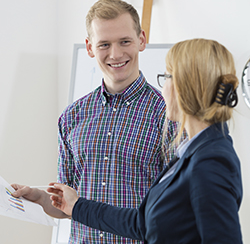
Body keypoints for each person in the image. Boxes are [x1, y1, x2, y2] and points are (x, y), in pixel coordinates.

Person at [11, 0, 179, 244]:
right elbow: (67, 205)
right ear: (89, 48)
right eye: (104, 44)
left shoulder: (168, 114)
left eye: (124, 41)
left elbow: (178, 207)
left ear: (141, 40)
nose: (115, 54)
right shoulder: (71, 117)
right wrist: (39, 197)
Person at [48, 38, 243, 244]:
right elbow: (142, 224)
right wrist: (76, 205)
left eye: (167, 76)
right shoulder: (190, 153)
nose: (163, 88)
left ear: (185, 86)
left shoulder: (210, 160)